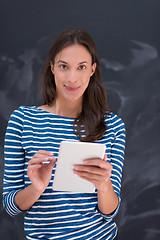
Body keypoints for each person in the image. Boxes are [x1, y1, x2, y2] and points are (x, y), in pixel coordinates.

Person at [3, 28, 126, 240]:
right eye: (63, 66)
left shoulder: (112, 125)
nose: (72, 78)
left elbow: (110, 213)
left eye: (81, 67)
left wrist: (104, 185)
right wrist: (36, 188)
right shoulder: (22, 120)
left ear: (92, 70)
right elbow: (10, 206)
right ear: (52, 68)